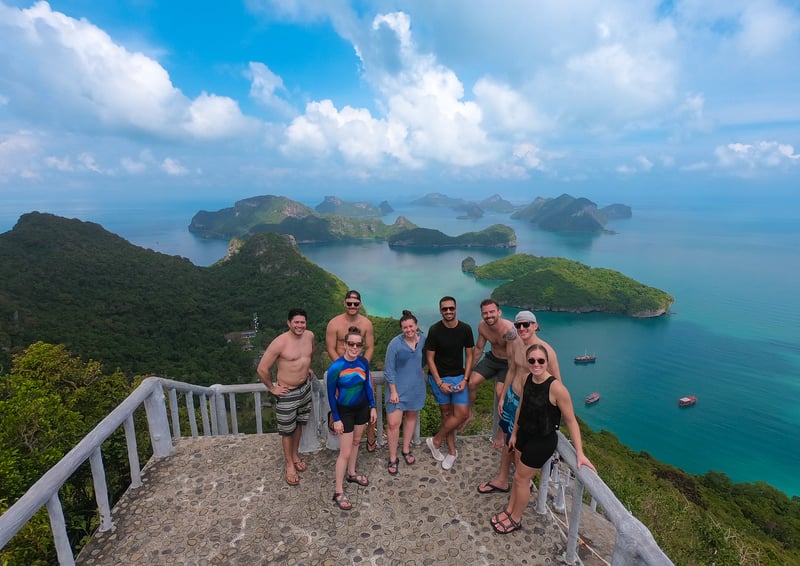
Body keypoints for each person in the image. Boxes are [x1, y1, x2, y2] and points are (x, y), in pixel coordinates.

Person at [491, 344, 595, 534]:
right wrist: (514, 433)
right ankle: (509, 510)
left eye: (541, 360)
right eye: (532, 360)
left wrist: (580, 453)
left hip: (541, 441)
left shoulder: (557, 389)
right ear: (528, 362)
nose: (536, 364)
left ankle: (515, 518)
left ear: (547, 362)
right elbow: (522, 406)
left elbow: (571, 421)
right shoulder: (526, 378)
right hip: (523, 434)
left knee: (522, 479)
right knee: (518, 478)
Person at [477, 310, 561, 494]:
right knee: (509, 440)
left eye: (526, 324)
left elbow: (557, 385)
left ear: (535, 326)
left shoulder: (545, 351)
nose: (522, 328)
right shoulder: (515, 344)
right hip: (511, 398)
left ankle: (522, 483)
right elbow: (512, 369)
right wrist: (503, 397)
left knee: (520, 446)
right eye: (518, 325)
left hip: (528, 406)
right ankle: (502, 479)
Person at [256, 308, 315, 487]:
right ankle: (289, 464)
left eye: (302, 322)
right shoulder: (280, 342)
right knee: (287, 430)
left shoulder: (309, 336)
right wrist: (272, 388)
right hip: (287, 392)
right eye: (296, 322)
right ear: (289, 323)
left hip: (305, 388)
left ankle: (295, 455)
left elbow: (305, 357)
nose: (300, 325)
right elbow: (262, 368)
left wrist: (307, 369)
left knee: (299, 423)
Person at [327, 327, 377, 510]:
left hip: (361, 408)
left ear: (362, 346)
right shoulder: (336, 367)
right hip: (345, 411)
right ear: (345, 344)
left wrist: (372, 406)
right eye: (351, 343)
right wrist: (337, 418)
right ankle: (338, 491)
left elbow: (367, 385)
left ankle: (352, 473)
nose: (354, 347)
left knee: (356, 442)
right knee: (345, 452)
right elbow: (331, 395)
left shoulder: (363, 362)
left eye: (358, 344)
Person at [424, 296, 475, 470]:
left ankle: (436, 440)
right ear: (440, 311)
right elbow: (429, 358)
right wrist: (439, 383)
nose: (448, 311)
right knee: (447, 415)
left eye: (451, 308)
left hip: (459, 377)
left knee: (461, 414)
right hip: (439, 377)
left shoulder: (465, 329)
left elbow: (470, 355)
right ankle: (452, 451)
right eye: (444, 309)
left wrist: (465, 379)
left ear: (456, 309)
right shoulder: (435, 330)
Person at [326, 290, 377, 451]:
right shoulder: (334, 324)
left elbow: (369, 347)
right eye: (349, 303)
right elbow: (331, 348)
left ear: (360, 305)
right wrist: (343, 367)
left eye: (356, 304)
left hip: (361, 369)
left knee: (369, 400)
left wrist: (361, 367)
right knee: (340, 399)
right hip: (340, 370)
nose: (352, 306)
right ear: (344, 303)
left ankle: (370, 432)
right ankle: (335, 418)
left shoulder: (366, 324)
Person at [462, 298, 517, 430]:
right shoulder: (482, 326)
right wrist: (468, 371)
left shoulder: (509, 330)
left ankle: (501, 429)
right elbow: (479, 349)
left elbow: (511, 358)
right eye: (485, 313)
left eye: (492, 312)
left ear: (499, 312)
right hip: (492, 358)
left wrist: (510, 379)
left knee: (500, 392)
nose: (489, 316)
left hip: (507, 363)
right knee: (472, 382)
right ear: (482, 314)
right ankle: (469, 414)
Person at [384, 310, 427, 475]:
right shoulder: (395, 343)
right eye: (405, 327)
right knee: (394, 424)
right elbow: (389, 369)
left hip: (416, 387)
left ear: (416, 326)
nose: (408, 330)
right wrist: (393, 391)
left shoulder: (423, 340)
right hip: (397, 390)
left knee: (411, 418)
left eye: (411, 326)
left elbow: (426, 359)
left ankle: (406, 449)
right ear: (401, 328)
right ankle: (393, 457)